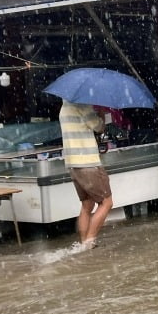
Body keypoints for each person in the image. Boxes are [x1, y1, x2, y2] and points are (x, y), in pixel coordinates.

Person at [59, 101, 112, 249]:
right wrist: (101, 113)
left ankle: (83, 243)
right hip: (88, 162)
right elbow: (99, 127)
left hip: (73, 164)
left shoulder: (64, 107)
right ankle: (89, 242)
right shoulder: (82, 106)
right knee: (106, 203)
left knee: (87, 205)